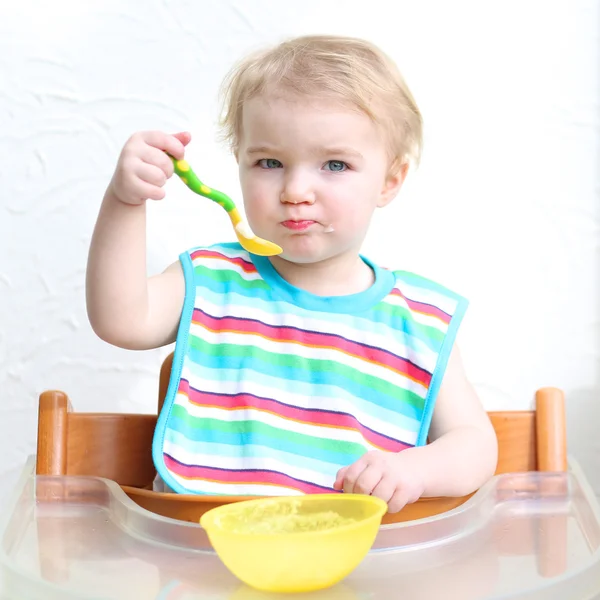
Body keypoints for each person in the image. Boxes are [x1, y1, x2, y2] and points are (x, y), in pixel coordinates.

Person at [86, 34, 498, 513]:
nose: (296, 189)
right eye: (270, 162)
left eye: (335, 164)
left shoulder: (419, 322)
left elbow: (475, 444)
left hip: (354, 568)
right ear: (239, 164)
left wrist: (413, 470)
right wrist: (125, 202)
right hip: (201, 555)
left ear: (389, 180)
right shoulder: (212, 279)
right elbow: (120, 320)